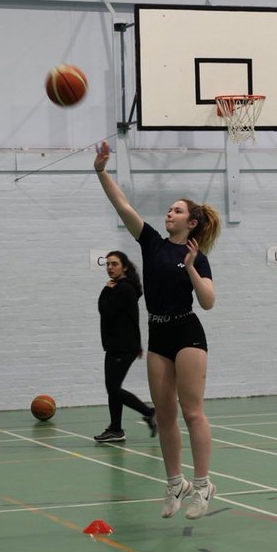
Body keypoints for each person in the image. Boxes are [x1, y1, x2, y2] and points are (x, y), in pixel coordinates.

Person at [93, 141, 221, 519]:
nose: (169, 213)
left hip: (188, 333)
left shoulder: (199, 258)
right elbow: (123, 206)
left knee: (192, 412)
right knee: (164, 416)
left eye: (177, 210)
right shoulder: (151, 243)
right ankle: (174, 483)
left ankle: (202, 486)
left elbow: (209, 302)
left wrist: (193, 267)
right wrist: (101, 170)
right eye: (169, 210)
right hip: (158, 334)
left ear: (191, 222)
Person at [93, 251, 157, 444]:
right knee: (113, 388)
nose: (110, 267)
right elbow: (129, 318)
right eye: (108, 264)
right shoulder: (123, 288)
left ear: (124, 267)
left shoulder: (123, 289)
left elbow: (105, 310)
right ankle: (115, 429)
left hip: (122, 346)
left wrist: (106, 290)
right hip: (118, 345)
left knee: (113, 388)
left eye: (114, 264)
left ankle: (150, 413)